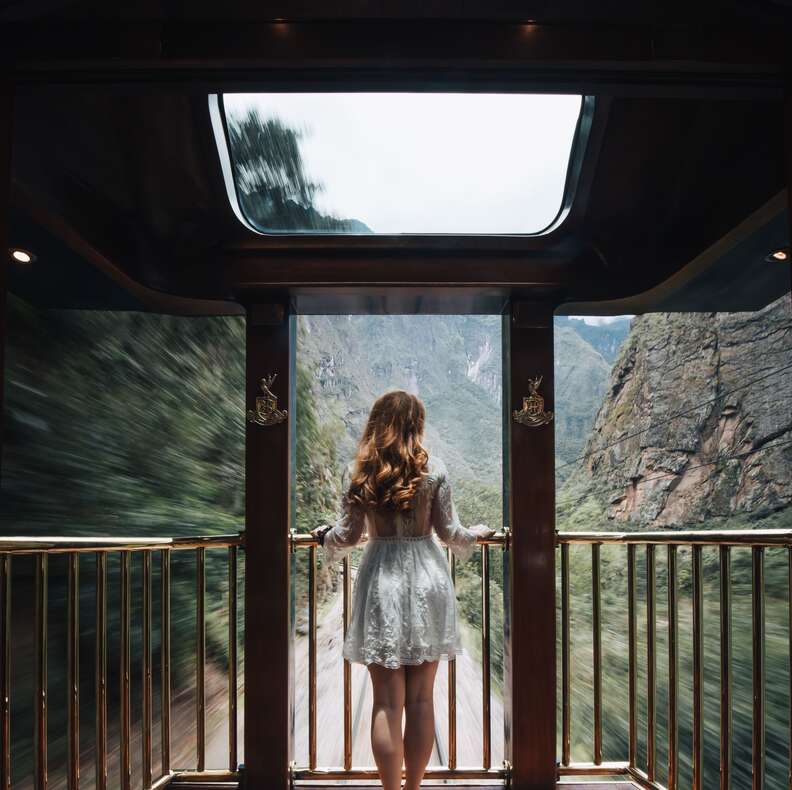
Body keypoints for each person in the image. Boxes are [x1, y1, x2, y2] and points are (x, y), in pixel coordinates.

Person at [312, 390, 494, 790]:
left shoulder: (359, 470)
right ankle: (413, 788)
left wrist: (323, 535)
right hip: (428, 578)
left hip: (381, 579)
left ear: (377, 422)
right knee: (421, 700)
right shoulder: (436, 470)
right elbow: (450, 533)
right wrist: (477, 534)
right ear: (418, 425)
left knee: (386, 703)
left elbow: (347, 535)